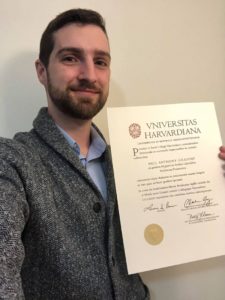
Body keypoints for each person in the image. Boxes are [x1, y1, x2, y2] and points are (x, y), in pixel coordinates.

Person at [0, 8, 150, 300]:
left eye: (100, 61)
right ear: (42, 71)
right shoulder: (12, 162)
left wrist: (212, 176)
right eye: (70, 58)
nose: (89, 75)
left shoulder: (133, 162)